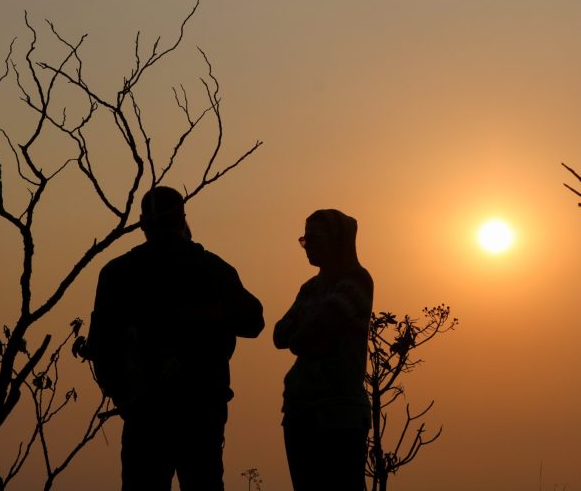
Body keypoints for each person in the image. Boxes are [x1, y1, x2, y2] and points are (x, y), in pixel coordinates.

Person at [86, 186, 264, 491]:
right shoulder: (212, 269)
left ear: (143, 224)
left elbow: (100, 346)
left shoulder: (118, 273)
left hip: (147, 413)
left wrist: (123, 397)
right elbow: (253, 321)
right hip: (197, 410)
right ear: (182, 220)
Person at [273, 209, 373, 491]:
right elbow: (280, 335)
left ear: (337, 241)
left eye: (315, 239)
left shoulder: (357, 280)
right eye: (305, 240)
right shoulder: (310, 288)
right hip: (299, 411)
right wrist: (309, 327)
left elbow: (306, 334)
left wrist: (305, 327)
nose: (308, 247)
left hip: (340, 413)